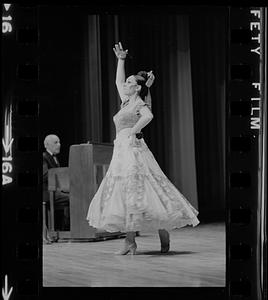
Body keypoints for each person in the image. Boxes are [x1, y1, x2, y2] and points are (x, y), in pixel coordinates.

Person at [86, 42, 199, 255]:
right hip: (122, 150)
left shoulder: (139, 104)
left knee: (141, 188)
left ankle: (163, 231)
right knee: (126, 191)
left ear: (137, 87)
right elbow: (118, 81)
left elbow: (149, 116)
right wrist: (120, 60)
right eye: (127, 82)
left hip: (133, 149)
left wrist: (133, 131)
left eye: (130, 82)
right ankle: (130, 242)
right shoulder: (125, 102)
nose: (125, 84)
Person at [43, 134, 69, 244]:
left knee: (74, 196)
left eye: (59, 142)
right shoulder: (44, 157)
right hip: (47, 192)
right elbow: (45, 175)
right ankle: (67, 230)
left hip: (57, 190)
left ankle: (64, 229)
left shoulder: (55, 158)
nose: (59, 144)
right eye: (55, 142)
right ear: (47, 145)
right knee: (73, 198)